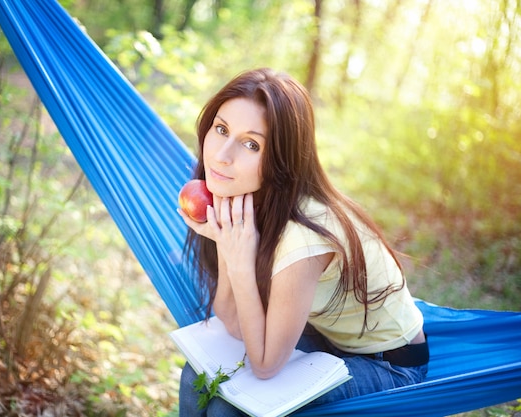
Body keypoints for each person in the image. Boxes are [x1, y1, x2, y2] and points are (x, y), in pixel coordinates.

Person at [177, 68, 429, 416]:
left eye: (252, 144)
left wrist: (237, 261)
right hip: (327, 340)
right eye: (221, 130)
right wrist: (226, 242)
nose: (222, 155)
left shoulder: (302, 238)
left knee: (229, 410)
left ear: (281, 159)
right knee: (197, 377)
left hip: (390, 366)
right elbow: (231, 321)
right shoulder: (247, 201)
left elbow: (266, 365)